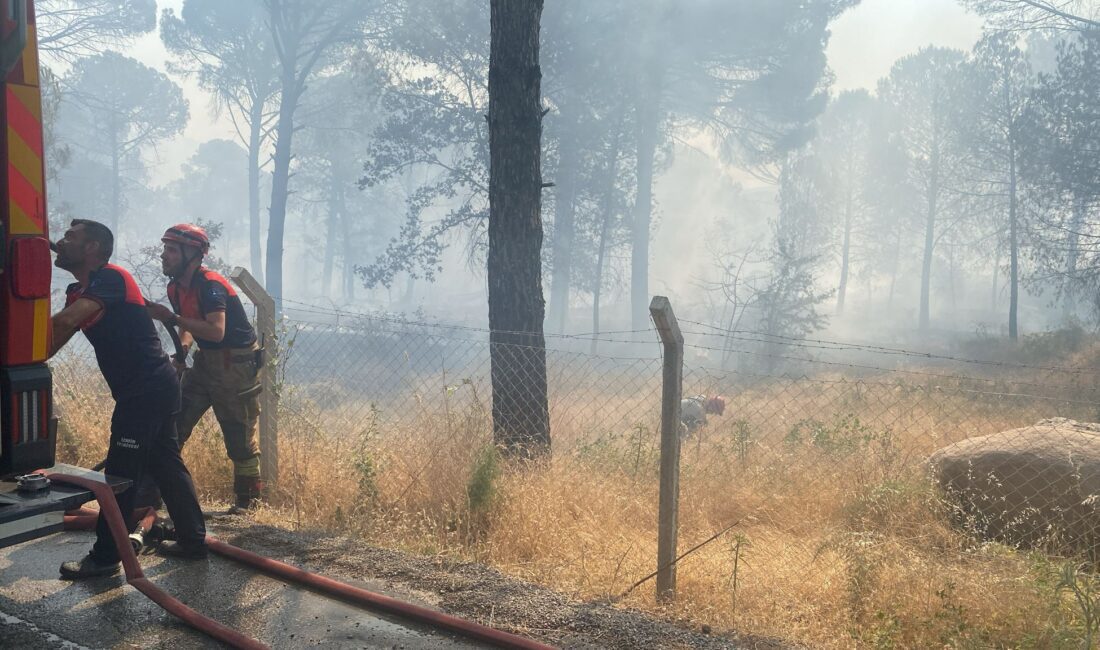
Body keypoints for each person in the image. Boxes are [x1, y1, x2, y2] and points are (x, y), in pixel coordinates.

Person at [51, 219, 208, 579]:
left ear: (93, 248)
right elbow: (55, 337)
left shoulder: (112, 277)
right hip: (153, 388)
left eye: (71, 237)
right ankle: (192, 540)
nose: (60, 241)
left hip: (145, 392)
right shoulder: (79, 290)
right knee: (166, 461)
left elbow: (62, 324)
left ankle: (106, 558)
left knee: (120, 475)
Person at [146, 224, 264, 512]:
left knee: (239, 435)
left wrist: (172, 319)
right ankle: (154, 495)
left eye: (172, 250)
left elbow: (215, 331)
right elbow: (190, 324)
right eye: (165, 249)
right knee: (174, 424)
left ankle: (247, 505)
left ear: (193, 254)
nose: (164, 255)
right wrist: (182, 352)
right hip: (205, 363)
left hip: (234, 364)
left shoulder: (211, 285)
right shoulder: (176, 286)